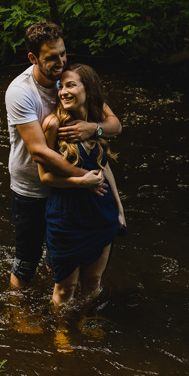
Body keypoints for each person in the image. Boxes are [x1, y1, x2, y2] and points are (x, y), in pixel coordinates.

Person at [5, 21, 122, 289]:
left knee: (62, 258)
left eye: (63, 53)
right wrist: (87, 178)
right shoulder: (20, 92)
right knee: (26, 261)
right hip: (33, 187)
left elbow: (115, 125)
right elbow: (39, 151)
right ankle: (19, 316)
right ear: (33, 58)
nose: (61, 62)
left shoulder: (68, 78)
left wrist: (94, 128)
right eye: (52, 58)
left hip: (70, 188)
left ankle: (58, 303)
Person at [37, 64, 127, 305]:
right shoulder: (53, 125)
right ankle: (61, 336)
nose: (63, 91)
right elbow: (45, 177)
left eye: (71, 85)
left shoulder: (96, 123)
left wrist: (119, 209)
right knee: (65, 290)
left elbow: (105, 167)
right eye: (61, 86)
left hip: (101, 216)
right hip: (67, 218)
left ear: (88, 90)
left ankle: (88, 321)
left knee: (93, 283)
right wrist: (82, 182)